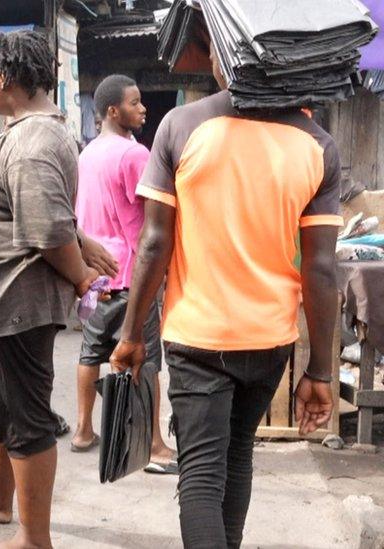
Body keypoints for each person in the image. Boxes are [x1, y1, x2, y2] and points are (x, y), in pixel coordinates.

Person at [110, 32, 340, 548]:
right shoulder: (317, 143)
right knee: (236, 457)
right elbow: (321, 270)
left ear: (224, 55)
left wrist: (131, 334)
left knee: (201, 476)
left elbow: (153, 244)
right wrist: (320, 369)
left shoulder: (182, 125)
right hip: (269, 340)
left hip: (198, 336)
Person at [0, 30, 108, 549]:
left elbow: (46, 231)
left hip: (12, 305)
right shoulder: (28, 132)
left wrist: (82, 274)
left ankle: (34, 538)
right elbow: (41, 211)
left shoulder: (34, 141)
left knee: (26, 420)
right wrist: (81, 239)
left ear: (6, 78)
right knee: (1, 409)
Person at [71, 74, 177, 474]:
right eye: (135, 103)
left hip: (94, 275)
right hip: (132, 272)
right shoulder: (135, 156)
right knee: (144, 358)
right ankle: (153, 445)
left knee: (91, 353)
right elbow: (156, 214)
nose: (143, 108)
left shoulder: (86, 154)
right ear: (114, 111)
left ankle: (83, 430)